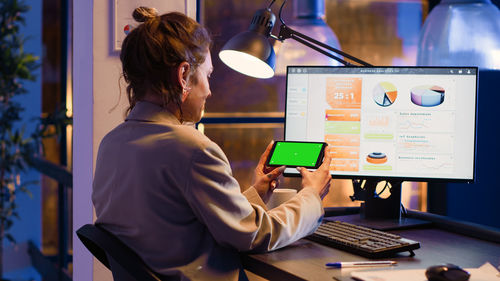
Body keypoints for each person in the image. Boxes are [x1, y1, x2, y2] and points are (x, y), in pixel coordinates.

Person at [92, 7, 333, 281]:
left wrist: (256, 193)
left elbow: (183, 224)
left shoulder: (112, 144)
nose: (209, 90)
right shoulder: (191, 148)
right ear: (183, 75)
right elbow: (255, 235)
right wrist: (311, 195)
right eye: (207, 75)